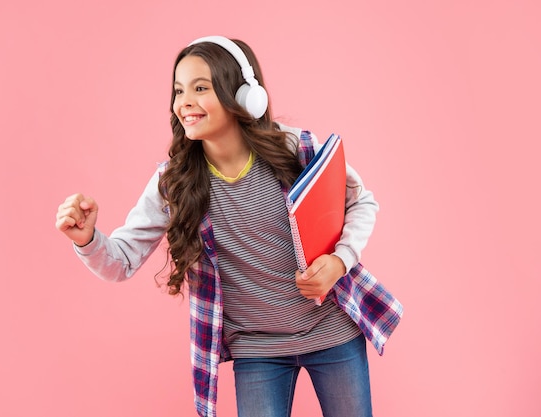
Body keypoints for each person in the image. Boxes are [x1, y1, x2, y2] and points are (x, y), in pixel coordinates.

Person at [55, 35, 402, 417]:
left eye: (200, 88)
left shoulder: (294, 150)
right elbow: (121, 261)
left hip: (330, 331)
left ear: (242, 97)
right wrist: (87, 239)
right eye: (179, 90)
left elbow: (361, 200)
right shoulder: (175, 183)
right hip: (258, 349)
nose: (184, 101)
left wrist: (339, 262)